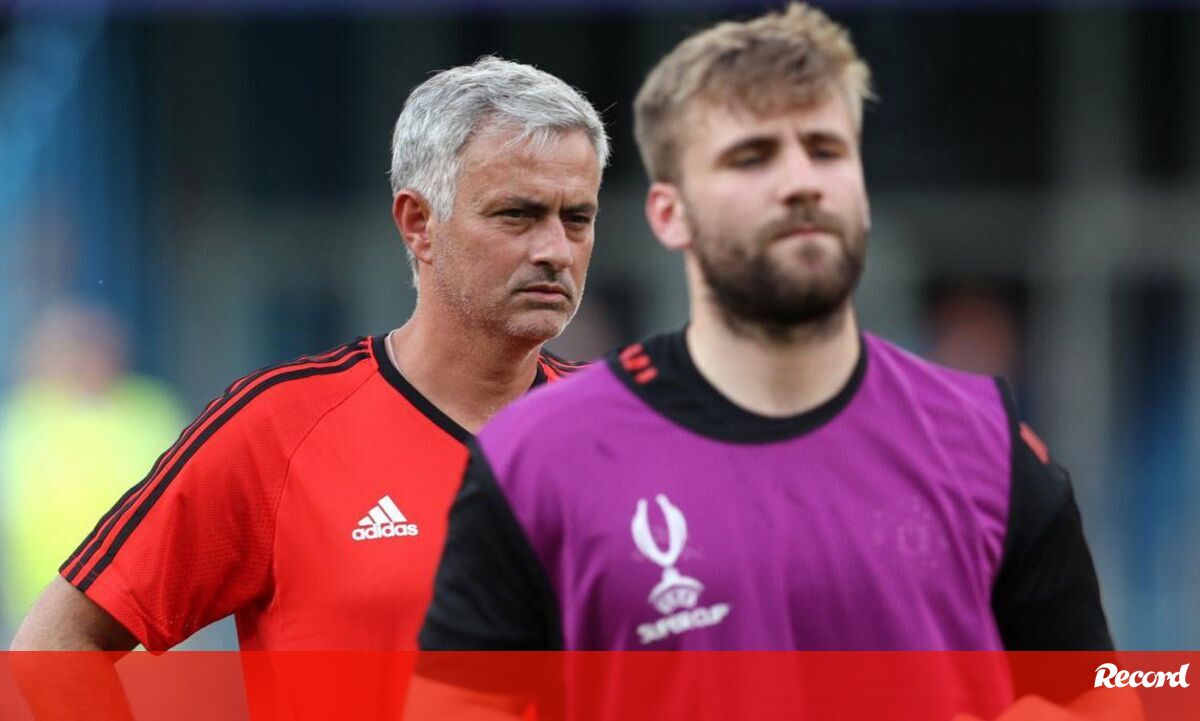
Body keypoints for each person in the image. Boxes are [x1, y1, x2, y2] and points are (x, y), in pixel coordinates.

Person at [413, 6, 1133, 720]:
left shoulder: (984, 441)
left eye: (825, 150)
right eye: (752, 157)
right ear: (670, 213)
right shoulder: (538, 458)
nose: (800, 183)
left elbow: (1109, 699)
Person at [11, 56, 606, 710]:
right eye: (517, 214)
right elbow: (56, 645)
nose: (556, 250)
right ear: (418, 223)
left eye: (577, 218)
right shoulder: (280, 428)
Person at [0, 302, 185, 638]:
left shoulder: (148, 411)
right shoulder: (22, 419)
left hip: (140, 611)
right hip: (45, 609)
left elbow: (181, 508)